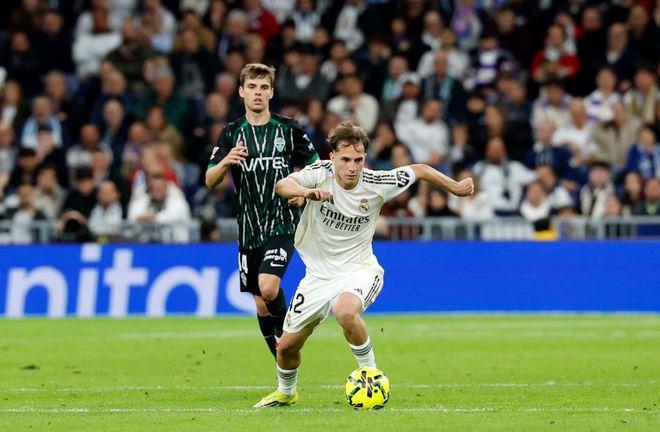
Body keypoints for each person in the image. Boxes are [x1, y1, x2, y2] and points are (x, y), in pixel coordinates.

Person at [253, 121, 473, 407]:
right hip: (318, 275)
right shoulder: (319, 173)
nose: (352, 167)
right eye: (345, 159)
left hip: (359, 268)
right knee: (287, 347)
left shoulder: (376, 183)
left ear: (365, 158)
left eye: (358, 160)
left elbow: (419, 170)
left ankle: (371, 374)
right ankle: (286, 391)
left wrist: (455, 187)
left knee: (344, 311)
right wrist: (306, 193)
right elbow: (283, 185)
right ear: (332, 156)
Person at [205, 63, 319, 359]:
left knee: (268, 287)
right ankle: (283, 363)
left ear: (271, 92)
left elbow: (318, 168)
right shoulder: (231, 133)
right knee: (260, 303)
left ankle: (287, 336)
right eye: (252, 87)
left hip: (282, 222)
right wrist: (226, 161)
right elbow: (210, 179)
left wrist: (302, 194)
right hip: (249, 228)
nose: (258, 92)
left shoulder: (289, 129)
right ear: (241, 92)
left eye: (264, 87)